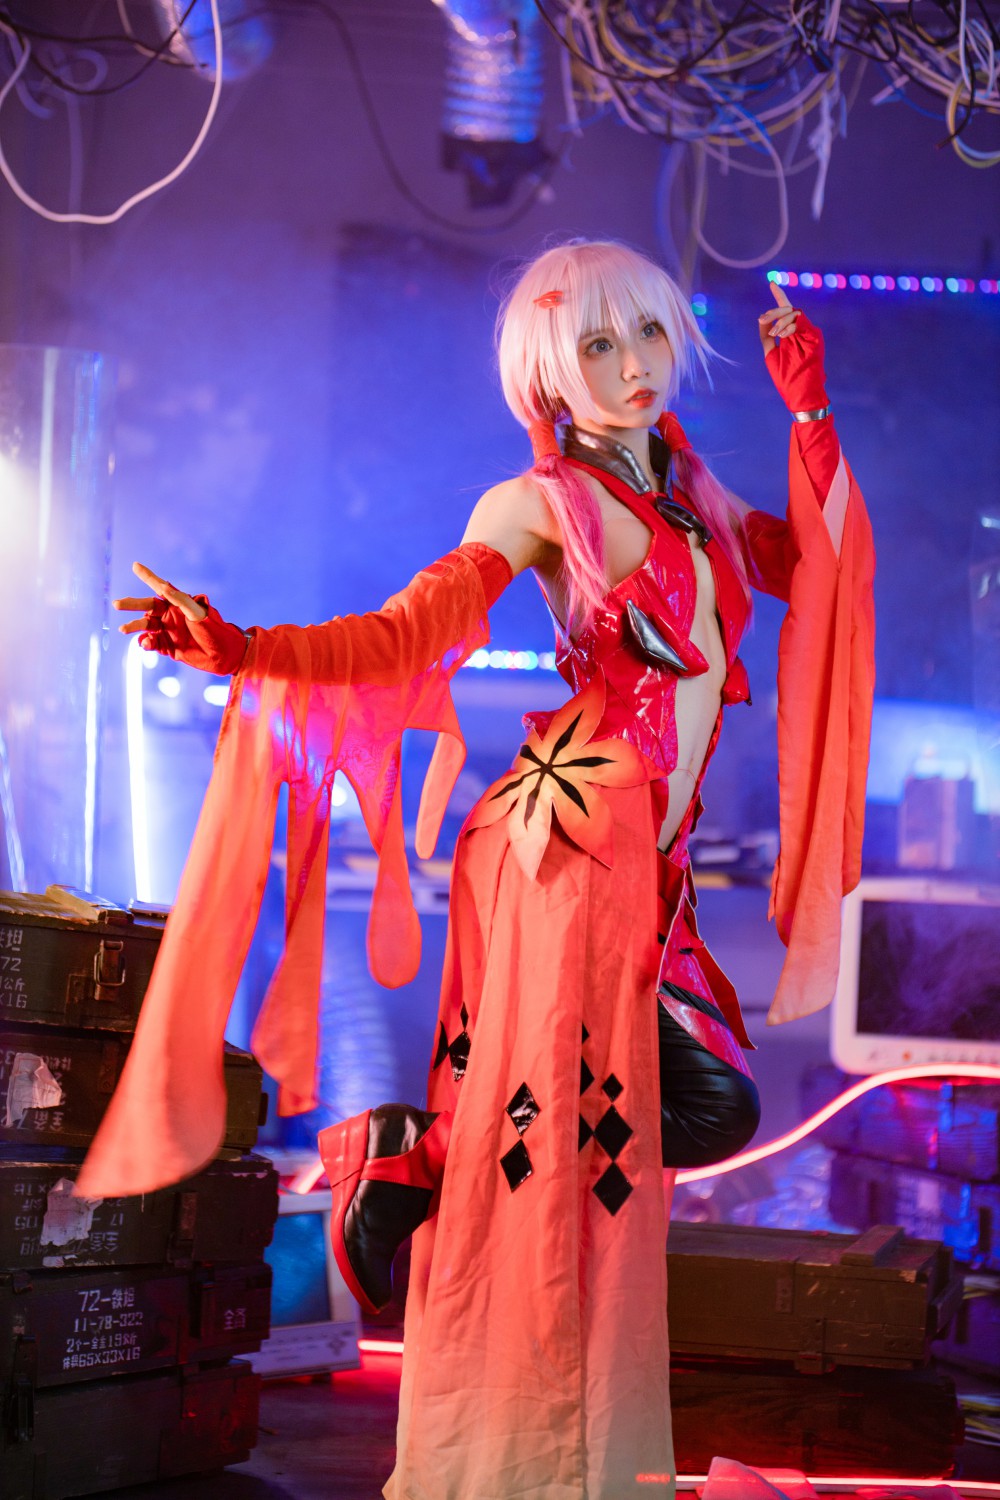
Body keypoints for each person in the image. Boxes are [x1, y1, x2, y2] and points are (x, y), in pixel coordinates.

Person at [79, 240, 875, 1500]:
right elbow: (405, 631)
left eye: (648, 335)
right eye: (597, 345)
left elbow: (818, 572)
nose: (632, 366)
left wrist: (810, 409)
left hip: (646, 865)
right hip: (566, 846)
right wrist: (244, 647)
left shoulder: (693, 493)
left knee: (685, 1115)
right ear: (549, 370)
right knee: (570, 1146)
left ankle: (410, 1153)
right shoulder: (534, 504)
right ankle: (525, 1434)